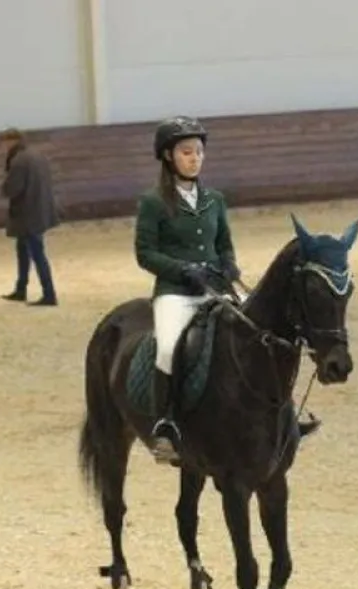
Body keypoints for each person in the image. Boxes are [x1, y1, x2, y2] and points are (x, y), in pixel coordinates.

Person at [134, 115, 241, 463]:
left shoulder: (215, 200)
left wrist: (228, 264)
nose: (194, 158)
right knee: (167, 346)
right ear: (168, 156)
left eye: (198, 151)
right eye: (186, 152)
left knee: (259, 330)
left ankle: (277, 415)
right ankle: (166, 424)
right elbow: (145, 253)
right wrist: (182, 269)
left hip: (214, 286)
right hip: (175, 292)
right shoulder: (153, 203)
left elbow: (224, 242)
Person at [0, 128, 60, 306]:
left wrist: (4, 189)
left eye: (3, 143)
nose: (2, 147)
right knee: (24, 251)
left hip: (26, 213)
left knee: (36, 253)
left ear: (11, 141)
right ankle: (21, 288)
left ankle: (49, 293)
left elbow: (12, 188)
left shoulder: (19, 161)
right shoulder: (37, 156)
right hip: (38, 209)